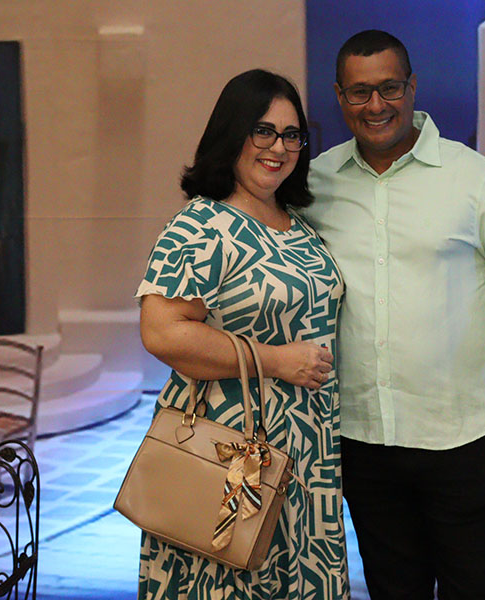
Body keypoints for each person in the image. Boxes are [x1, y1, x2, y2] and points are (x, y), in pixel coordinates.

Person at [302, 30, 485, 599]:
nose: (375, 105)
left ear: (412, 87)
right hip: (363, 438)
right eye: (359, 92)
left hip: (464, 438)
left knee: (474, 591)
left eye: (389, 88)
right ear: (339, 96)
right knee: (393, 591)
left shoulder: (474, 177)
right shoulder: (315, 184)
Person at [136, 69, 349, 600]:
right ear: (233, 133)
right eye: (263, 131)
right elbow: (162, 333)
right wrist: (275, 360)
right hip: (229, 459)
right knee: (230, 579)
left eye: (292, 134)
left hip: (307, 457)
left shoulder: (298, 224)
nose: (279, 147)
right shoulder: (201, 226)